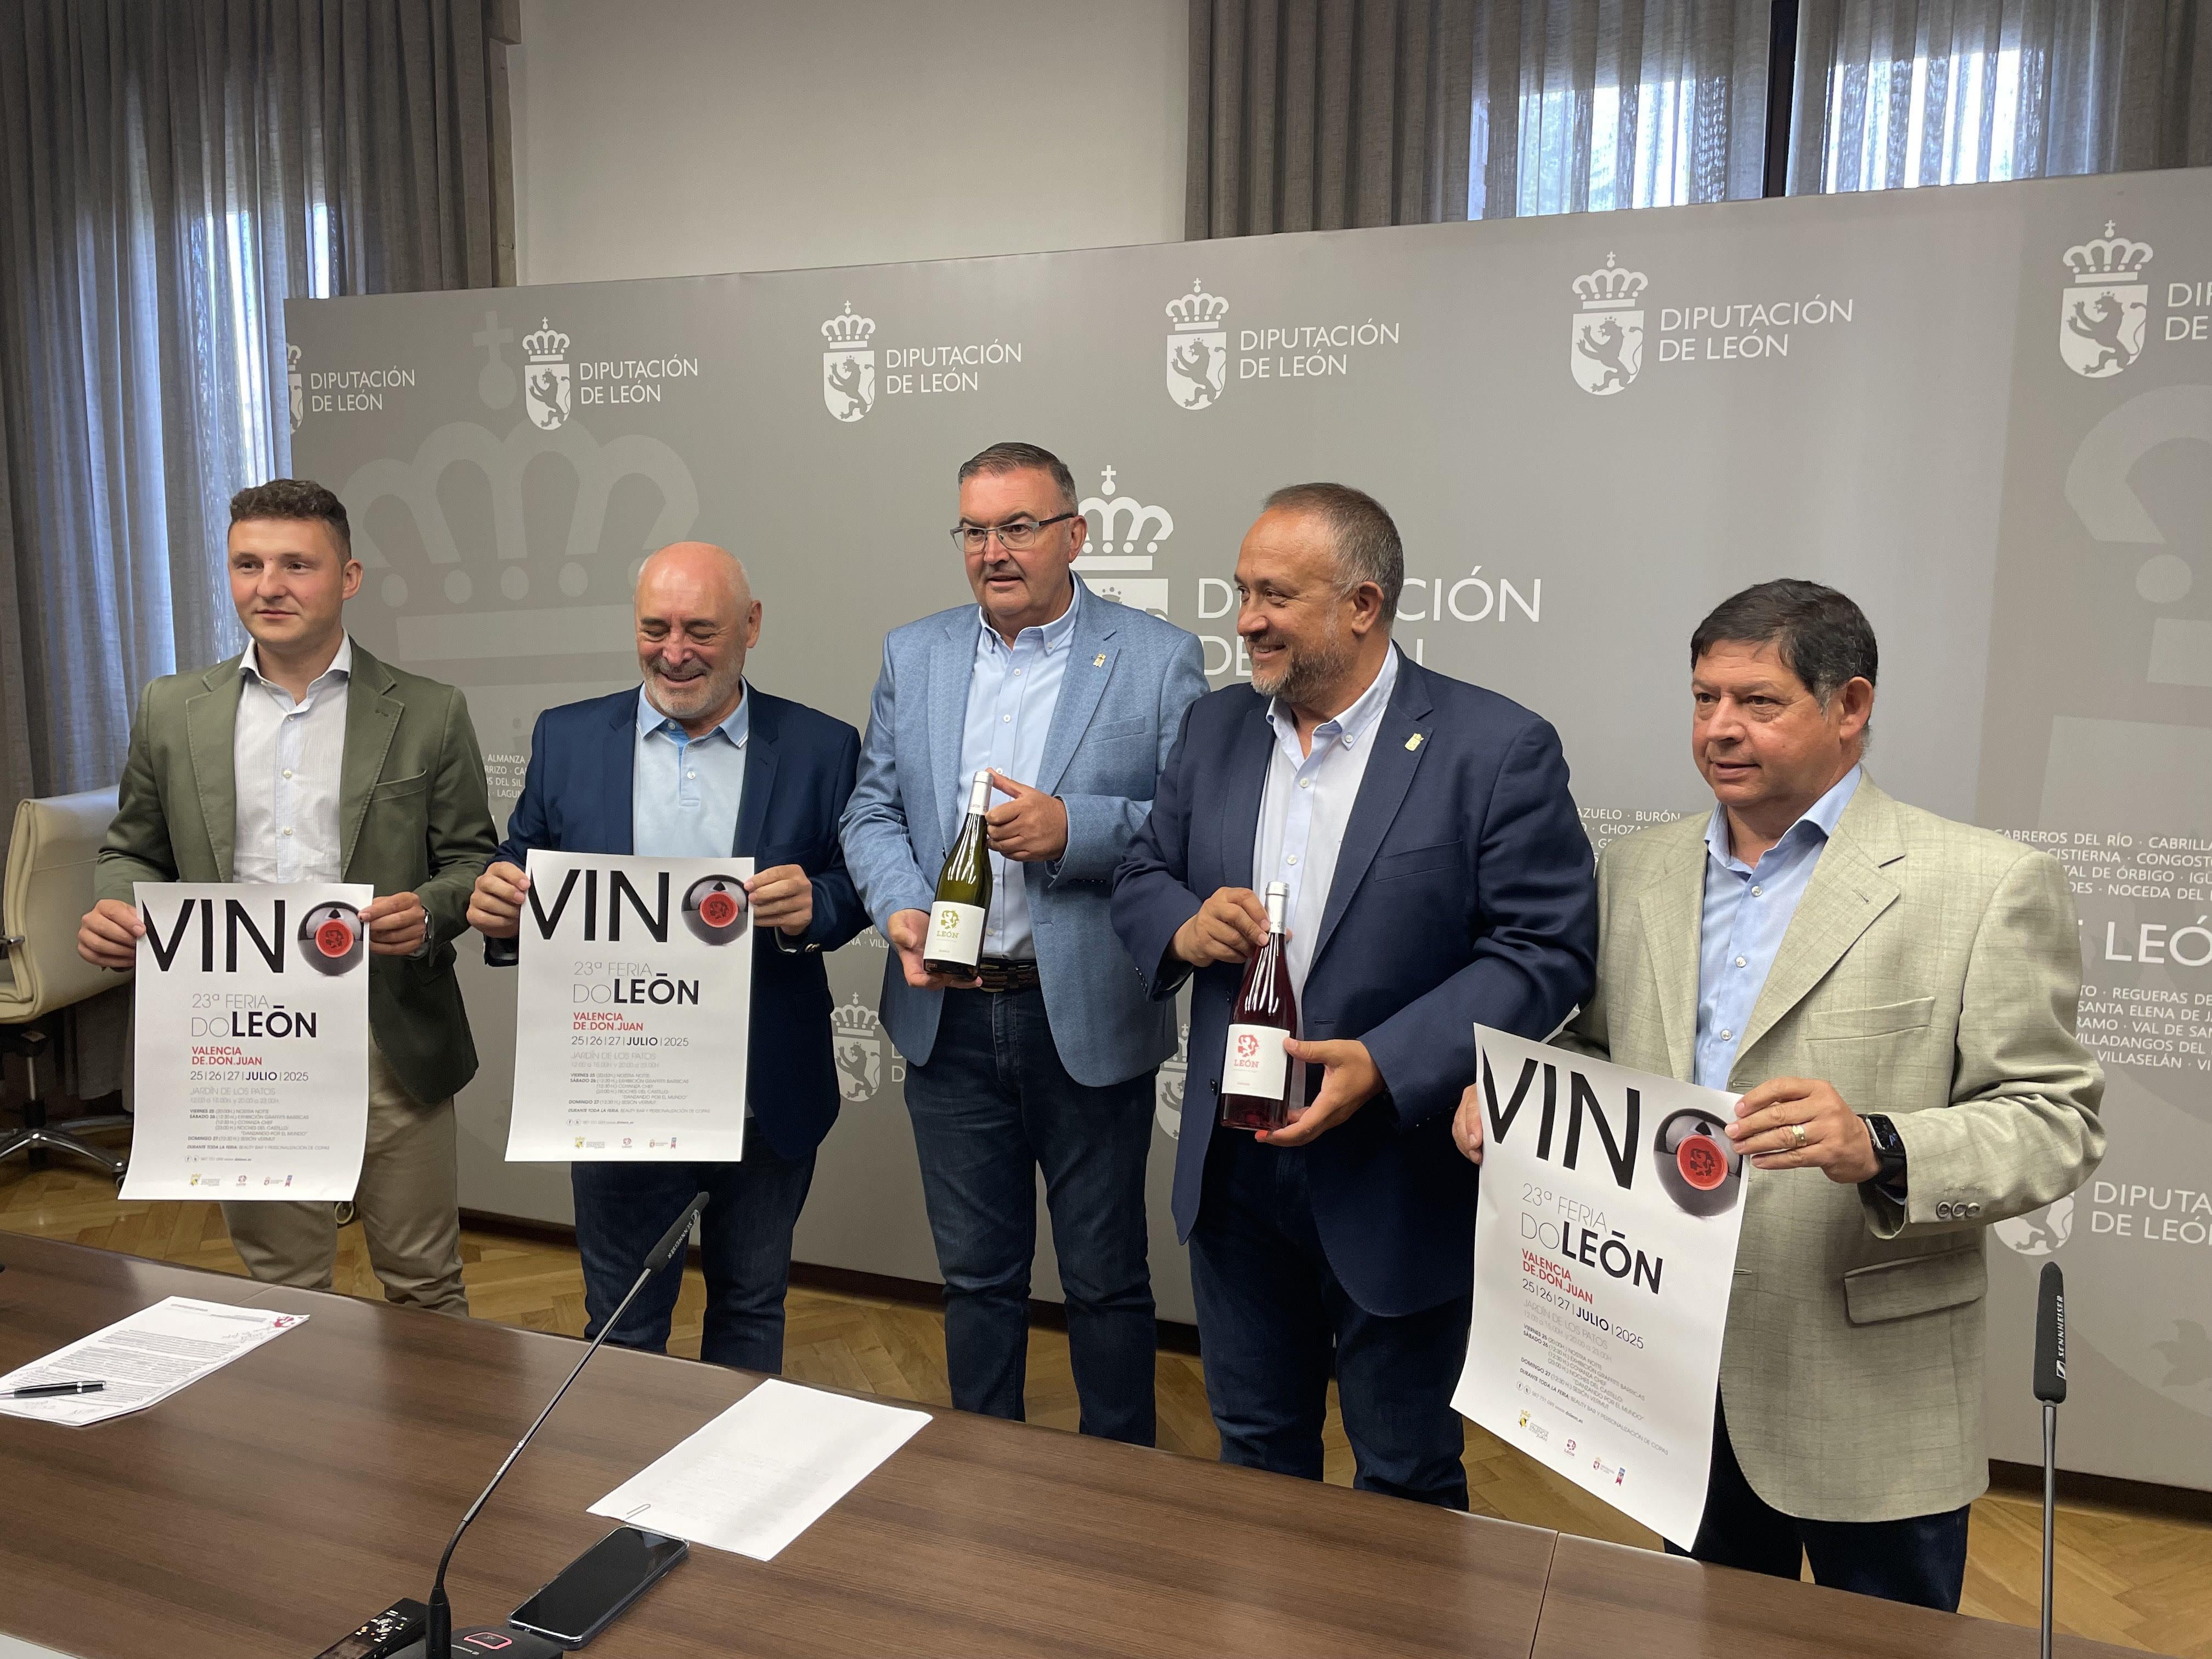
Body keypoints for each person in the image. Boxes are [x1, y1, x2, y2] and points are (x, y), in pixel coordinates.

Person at [1454, 579, 2105, 1607]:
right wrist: (1520, 1099)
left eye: (1758, 702)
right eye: (1705, 698)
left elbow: (2055, 1121)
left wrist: (1882, 1145)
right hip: (1669, 1366)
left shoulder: (1985, 883)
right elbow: (1602, 1045)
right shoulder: (1637, 869)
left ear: (1850, 707)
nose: (1720, 729)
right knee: (1698, 1628)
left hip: (1867, 1382)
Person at [1113, 483, 1596, 1506]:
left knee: (1407, 1475)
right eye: (1241, 591)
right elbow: (1142, 875)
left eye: (1274, 596)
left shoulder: (1495, 747)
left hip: (1393, 1179)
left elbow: (1544, 949)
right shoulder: (1214, 730)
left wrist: (1389, 1062)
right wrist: (1183, 924)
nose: (1245, 619)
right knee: (1254, 1455)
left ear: (1364, 605)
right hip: (1235, 1173)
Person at [840, 441, 1207, 1445]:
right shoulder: (913, 653)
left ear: (1074, 535)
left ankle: (1123, 1483)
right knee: (976, 1278)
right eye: (974, 529)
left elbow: (1191, 828)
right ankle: (981, 1472)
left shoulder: (1155, 656)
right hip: (945, 1014)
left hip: (1079, 1013)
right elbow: (870, 811)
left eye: (1018, 527)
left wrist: (1074, 831)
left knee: (1104, 1279)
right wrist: (903, 905)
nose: (993, 550)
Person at [78, 478, 495, 1314]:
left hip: (389, 1036)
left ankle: (440, 1450)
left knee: (425, 1285)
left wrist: (430, 913)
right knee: (283, 1292)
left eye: (296, 565)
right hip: (241, 1042)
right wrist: (118, 905)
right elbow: (131, 851)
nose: (268, 586)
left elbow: (471, 864)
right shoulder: (172, 710)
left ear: (348, 578)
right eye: (248, 564)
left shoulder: (428, 711)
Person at [465, 543, 865, 1374]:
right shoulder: (568, 736)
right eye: (655, 628)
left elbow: (853, 886)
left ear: (751, 628)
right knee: (621, 1323)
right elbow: (523, 862)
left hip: (765, 1083)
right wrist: (498, 903)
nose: (674, 651)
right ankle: (619, 1486)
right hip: (619, 1082)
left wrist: (813, 907)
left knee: (752, 1307)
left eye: (699, 629)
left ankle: (729, 1495)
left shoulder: (823, 746)